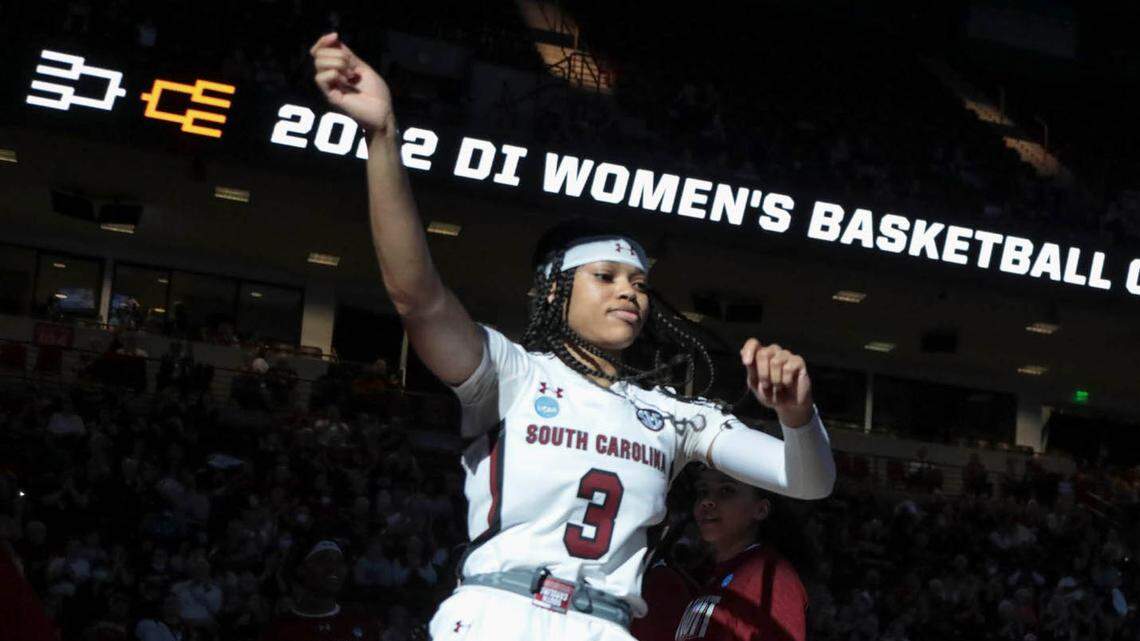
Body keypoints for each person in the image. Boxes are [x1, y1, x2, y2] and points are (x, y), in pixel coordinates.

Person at [309, 32, 835, 641]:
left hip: (605, 627)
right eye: (605, 276)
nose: (629, 292)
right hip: (495, 615)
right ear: (555, 293)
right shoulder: (511, 373)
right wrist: (382, 136)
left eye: (639, 282)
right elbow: (416, 296)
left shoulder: (674, 415)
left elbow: (809, 481)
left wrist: (798, 415)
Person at [667, 468, 809, 641]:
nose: (707, 501)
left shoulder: (771, 577)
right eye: (703, 491)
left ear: (761, 509)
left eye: (726, 490)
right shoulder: (715, 577)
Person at [259, 538, 383, 641]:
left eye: (339, 561)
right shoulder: (278, 629)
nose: (333, 568)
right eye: (323, 559)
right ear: (301, 569)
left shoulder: (363, 623)